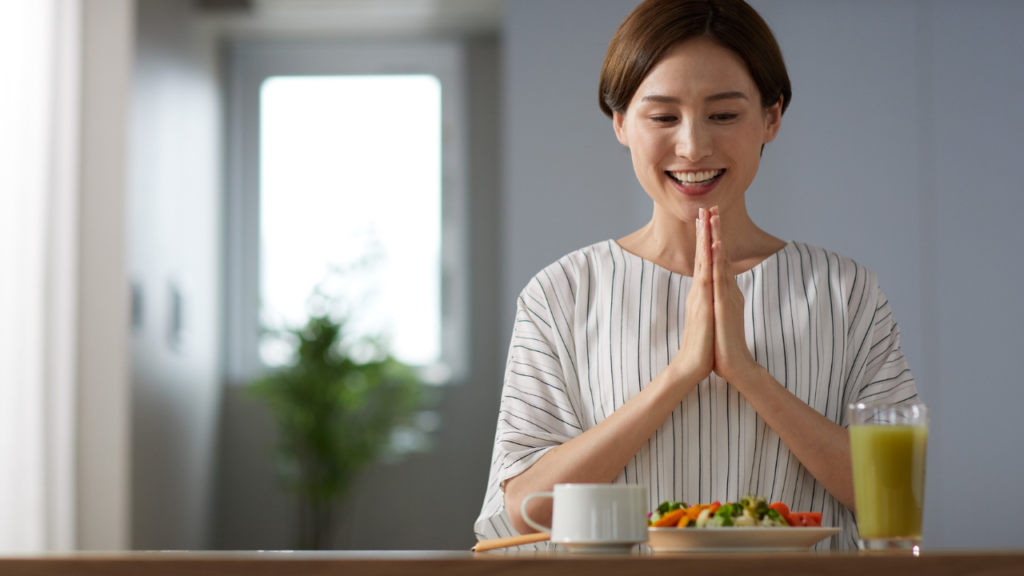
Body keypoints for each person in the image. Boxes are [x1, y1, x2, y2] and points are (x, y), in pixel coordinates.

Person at [475, 0, 918, 550]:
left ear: (771, 117)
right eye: (662, 117)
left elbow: (894, 496)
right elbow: (524, 510)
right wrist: (681, 373)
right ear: (620, 123)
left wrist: (747, 373)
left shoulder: (846, 292)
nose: (693, 146)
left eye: (724, 115)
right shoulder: (561, 293)